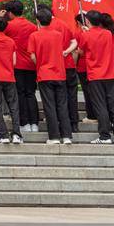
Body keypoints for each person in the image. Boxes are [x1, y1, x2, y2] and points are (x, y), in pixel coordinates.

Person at [28, 9, 74, 144]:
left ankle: (53, 136)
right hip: (60, 73)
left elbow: (32, 55)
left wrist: (40, 64)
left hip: (44, 73)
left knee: (49, 106)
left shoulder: (34, 36)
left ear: (37, 20)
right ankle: (66, 135)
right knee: (62, 105)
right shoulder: (58, 35)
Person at [82, 11, 114, 144]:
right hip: (110, 73)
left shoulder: (86, 35)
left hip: (95, 75)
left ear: (88, 21)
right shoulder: (107, 34)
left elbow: (82, 49)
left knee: (100, 106)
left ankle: (105, 135)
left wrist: (86, 32)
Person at [2, 1, 39, 132]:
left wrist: (1, 18)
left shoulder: (8, 26)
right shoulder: (33, 26)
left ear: (10, 13)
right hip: (31, 63)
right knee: (30, 93)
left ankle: (23, 123)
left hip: (16, 64)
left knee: (20, 94)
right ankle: (34, 123)